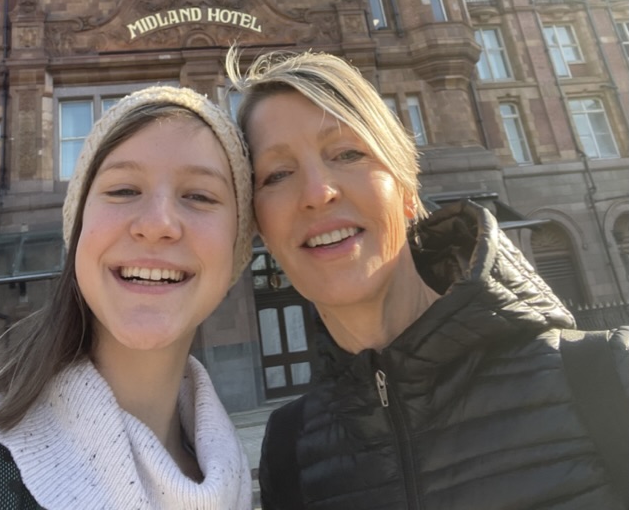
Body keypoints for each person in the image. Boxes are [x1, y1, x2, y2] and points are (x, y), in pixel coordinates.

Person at [225, 47, 629, 510]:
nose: (318, 192)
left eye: (348, 153)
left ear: (406, 191)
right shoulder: (289, 454)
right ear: (261, 229)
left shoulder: (608, 376)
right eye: (276, 174)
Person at [0, 86, 255, 510]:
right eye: (123, 190)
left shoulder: (240, 472)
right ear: (79, 226)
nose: (158, 223)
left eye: (199, 195)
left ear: (237, 245)